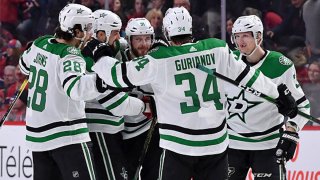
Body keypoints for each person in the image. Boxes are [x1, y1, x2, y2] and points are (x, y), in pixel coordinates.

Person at [91, 7, 298, 180]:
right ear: (191, 29)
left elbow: (115, 75)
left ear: (165, 32)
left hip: (177, 148)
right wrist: (279, 94)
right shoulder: (217, 50)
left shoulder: (159, 59)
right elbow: (251, 77)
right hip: (215, 147)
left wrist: (100, 55)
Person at [18, 4, 106, 180]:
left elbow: (23, 65)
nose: (91, 34)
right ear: (76, 31)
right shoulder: (70, 54)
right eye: (87, 28)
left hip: (38, 138)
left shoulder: (40, 43)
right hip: (67, 136)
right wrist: (104, 78)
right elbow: (76, 89)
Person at [226, 15, 310, 179]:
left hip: (268, 145)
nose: (240, 41)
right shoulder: (229, 61)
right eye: (236, 36)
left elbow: (302, 106)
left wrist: (291, 130)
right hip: (233, 144)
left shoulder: (280, 65)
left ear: (259, 36)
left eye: (245, 35)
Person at [82, 9, 145, 180]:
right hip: (101, 130)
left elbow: (124, 44)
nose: (119, 37)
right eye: (116, 33)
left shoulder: (111, 46)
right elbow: (116, 103)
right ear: (101, 34)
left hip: (114, 129)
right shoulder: (89, 60)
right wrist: (144, 106)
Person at [121, 18, 163, 180]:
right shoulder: (119, 59)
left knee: (153, 173)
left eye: (147, 38)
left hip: (150, 129)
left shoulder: (157, 60)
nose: (143, 44)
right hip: (123, 132)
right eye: (138, 39)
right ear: (129, 40)